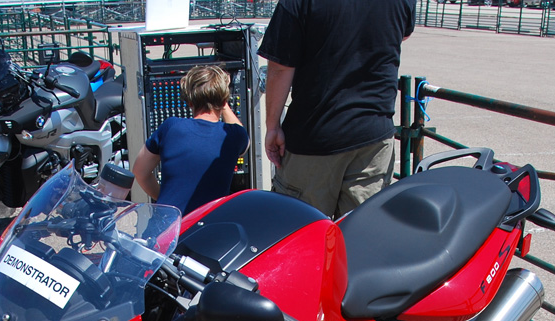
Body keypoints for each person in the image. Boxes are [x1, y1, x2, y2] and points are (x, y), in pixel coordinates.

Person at [257, 0, 416, 219]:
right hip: (373, 136)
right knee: (360, 235)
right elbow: (403, 33)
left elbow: (281, 67)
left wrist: (272, 125)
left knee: (302, 234)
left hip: (314, 137)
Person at [131, 65, 249, 215]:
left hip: (167, 227)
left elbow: (139, 171)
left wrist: (163, 199)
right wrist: (222, 103)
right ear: (224, 99)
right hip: (208, 226)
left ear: (189, 102)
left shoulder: (171, 127)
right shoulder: (234, 136)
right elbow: (244, 138)